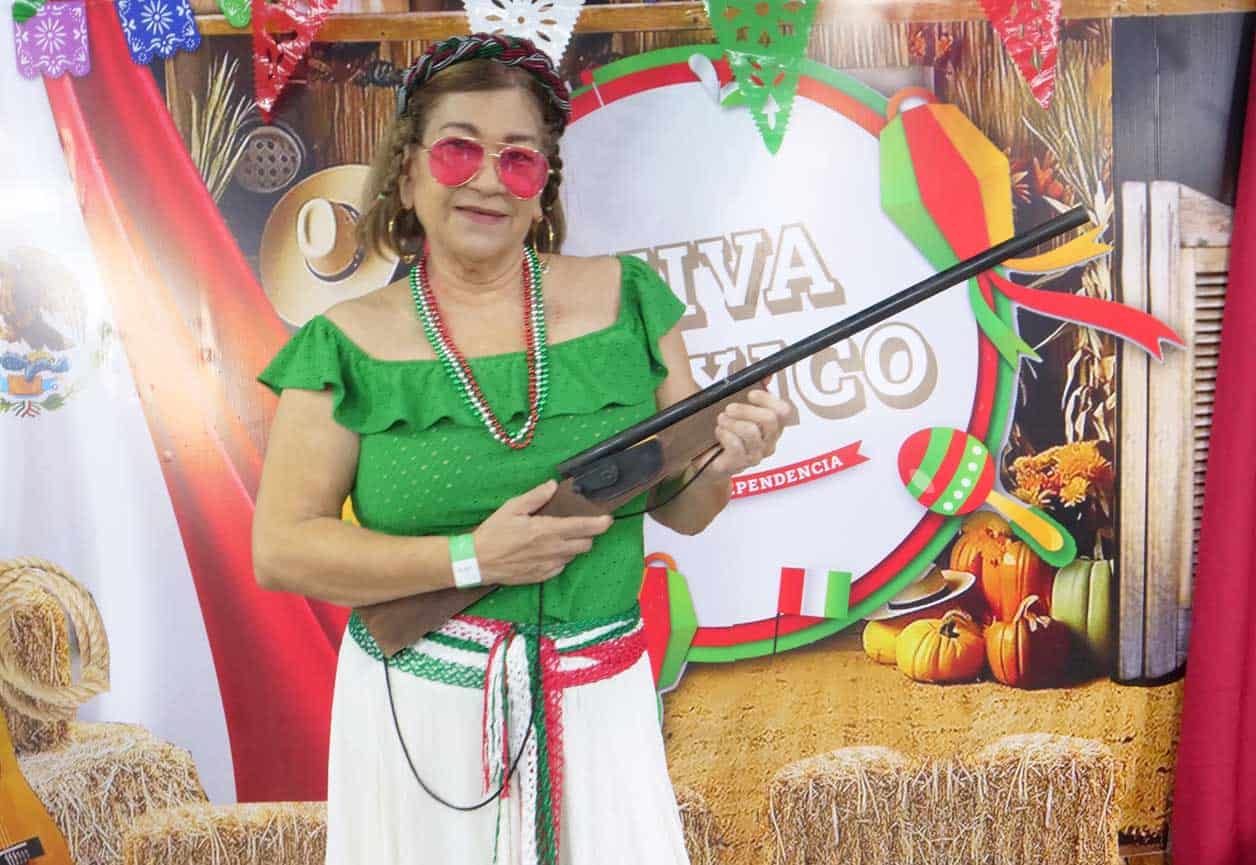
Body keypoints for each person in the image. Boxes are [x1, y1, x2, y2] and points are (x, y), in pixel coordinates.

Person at [251, 33, 791, 865]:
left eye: (518, 159)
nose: (486, 180)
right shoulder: (342, 342)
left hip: (600, 707)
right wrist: (472, 557)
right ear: (407, 172)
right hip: (423, 719)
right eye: (458, 149)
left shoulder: (630, 302)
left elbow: (683, 509)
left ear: (543, 191)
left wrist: (728, 457)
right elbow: (282, 548)